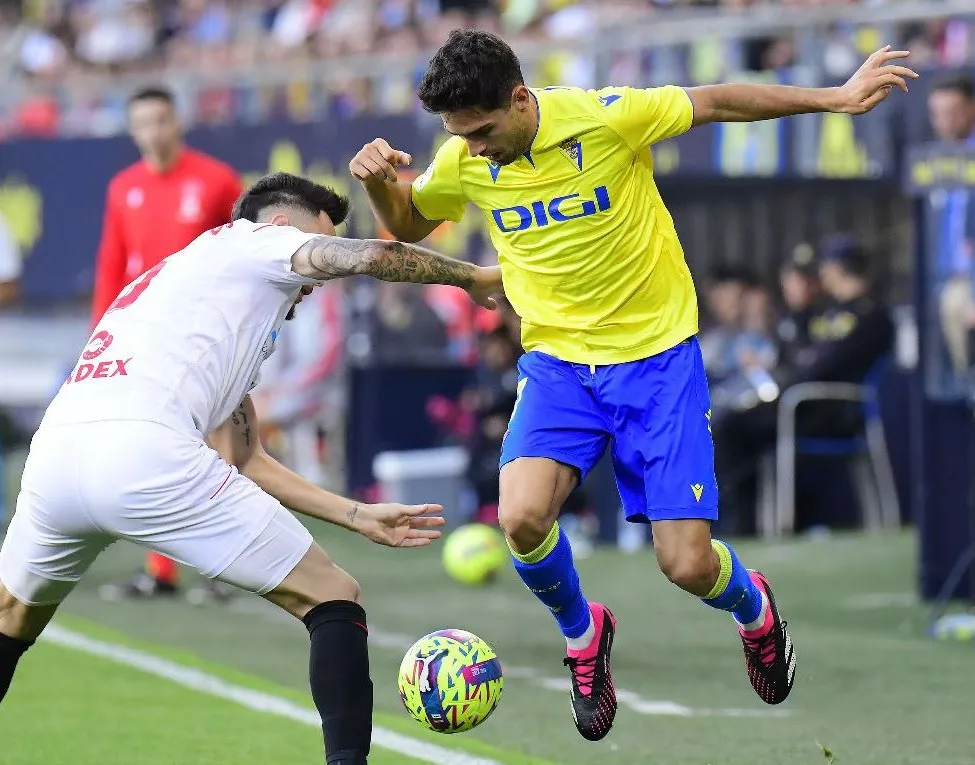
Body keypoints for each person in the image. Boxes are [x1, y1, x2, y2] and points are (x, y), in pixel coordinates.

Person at [350, 29, 916, 740]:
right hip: (558, 365)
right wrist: (377, 180)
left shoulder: (607, 115)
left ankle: (754, 611)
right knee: (520, 518)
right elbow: (409, 220)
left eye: (485, 130)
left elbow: (719, 100)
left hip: (655, 365)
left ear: (522, 100)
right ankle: (584, 635)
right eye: (461, 136)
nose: (476, 147)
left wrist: (832, 97)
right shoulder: (464, 158)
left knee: (684, 564)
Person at [0, 172, 501, 765]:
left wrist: (357, 514)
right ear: (286, 226)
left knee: (10, 617)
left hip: (56, 454)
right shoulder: (257, 243)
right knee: (333, 596)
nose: (311, 288)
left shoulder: (194, 289)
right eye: (317, 240)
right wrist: (471, 278)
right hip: (143, 452)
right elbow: (368, 255)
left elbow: (243, 459)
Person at [92, 86, 243, 599]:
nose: (153, 131)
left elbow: (244, 251)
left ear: (177, 121)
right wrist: (101, 335)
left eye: (161, 119)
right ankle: (162, 569)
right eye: (143, 123)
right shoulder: (122, 187)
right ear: (133, 129)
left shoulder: (216, 180)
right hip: (143, 339)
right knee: (154, 447)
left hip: (206, 336)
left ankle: (226, 565)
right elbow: (113, 262)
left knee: (220, 447)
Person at [712, 235, 894, 531]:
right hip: (806, 401)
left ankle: (741, 526)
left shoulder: (870, 314)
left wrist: (799, 369)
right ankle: (745, 521)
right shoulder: (830, 313)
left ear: (837, 269)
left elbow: (820, 365)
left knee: (736, 426)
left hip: (832, 410)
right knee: (732, 421)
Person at [927, 76, 975, 379]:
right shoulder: (938, 160)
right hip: (947, 280)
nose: (944, 121)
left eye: (953, 111)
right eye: (937, 113)